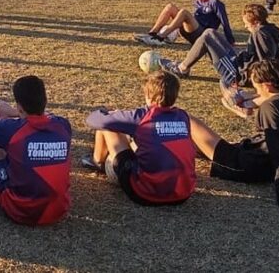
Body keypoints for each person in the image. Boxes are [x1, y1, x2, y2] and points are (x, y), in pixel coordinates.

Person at [188, 59, 279, 215]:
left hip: (248, 166)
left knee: (188, 120)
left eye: (255, 86)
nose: (253, 89)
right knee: (194, 146)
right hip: (260, 160)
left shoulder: (271, 108)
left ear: (267, 85)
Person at [0, 75, 71, 225]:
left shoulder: (13, 129)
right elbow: (47, 118)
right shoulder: (63, 125)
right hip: (58, 210)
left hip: (20, 210)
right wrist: (16, 113)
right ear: (45, 102)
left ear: (20, 107)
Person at [81, 72, 196, 206]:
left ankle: (97, 161)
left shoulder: (142, 116)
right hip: (183, 194)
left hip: (144, 193)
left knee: (108, 126)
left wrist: (105, 112)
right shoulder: (182, 116)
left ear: (148, 95)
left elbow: (94, 121)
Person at [158, 4, 279, 117]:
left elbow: (266, 62)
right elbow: (275, 57)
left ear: (256, 22)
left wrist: (260, 85)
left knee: (224, 79)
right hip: (241, 63)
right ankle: (183, 67)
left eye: (246, 23)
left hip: (240, 73)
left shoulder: (260, 34)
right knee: (210, 32)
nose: (245, 26)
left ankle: (238, 104)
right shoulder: (268, 29)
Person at [135, 0, 235, 46]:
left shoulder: (216, 3)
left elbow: (224, 22)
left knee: (184, 12)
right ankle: (152, 34)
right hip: (191, 30)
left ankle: (160, 37)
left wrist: (230, 41)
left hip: (201, 35)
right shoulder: (197, 0)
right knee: (170, 7)